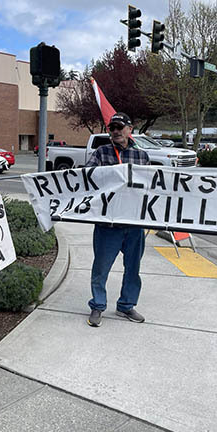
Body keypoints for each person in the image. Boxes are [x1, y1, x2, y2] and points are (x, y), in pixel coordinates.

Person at [84, 112, 150, 327]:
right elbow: (87, 176)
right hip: (108, 223)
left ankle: (126, 305)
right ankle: (98, 305)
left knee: (133, 267)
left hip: (133, 223)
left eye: (120, 127)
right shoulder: (101, 152)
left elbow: (151, 185)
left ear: (130, 130)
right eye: (112, 128)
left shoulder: (141, 156)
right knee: (101, 267)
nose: (115, 131)